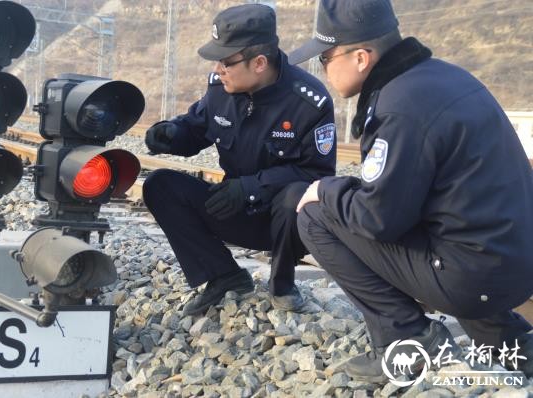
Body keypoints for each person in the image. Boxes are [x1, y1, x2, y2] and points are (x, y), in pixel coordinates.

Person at [291, 0, 533, 382]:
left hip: (474, 278)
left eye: (325, 57)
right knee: (448, 222)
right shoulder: (442, 78)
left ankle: (407, 342)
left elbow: (378, 220)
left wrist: (324, 189)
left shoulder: (398, 106)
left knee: (315, 215)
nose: (321, 67)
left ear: (360, 57)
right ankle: (513, 344)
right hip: (513, 264)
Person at [142, 4, 336, 316]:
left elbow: (318, 173)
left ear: (259, 63)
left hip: (286, 224)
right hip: (233, 210)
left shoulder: (308, 103)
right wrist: (170, 134)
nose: (219, 68)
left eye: (227, 61)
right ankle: (224, 276)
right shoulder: (221, 90)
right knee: (159, 185)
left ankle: (283, 284)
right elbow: (195, 130)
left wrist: (250, 187)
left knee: (297, 195)